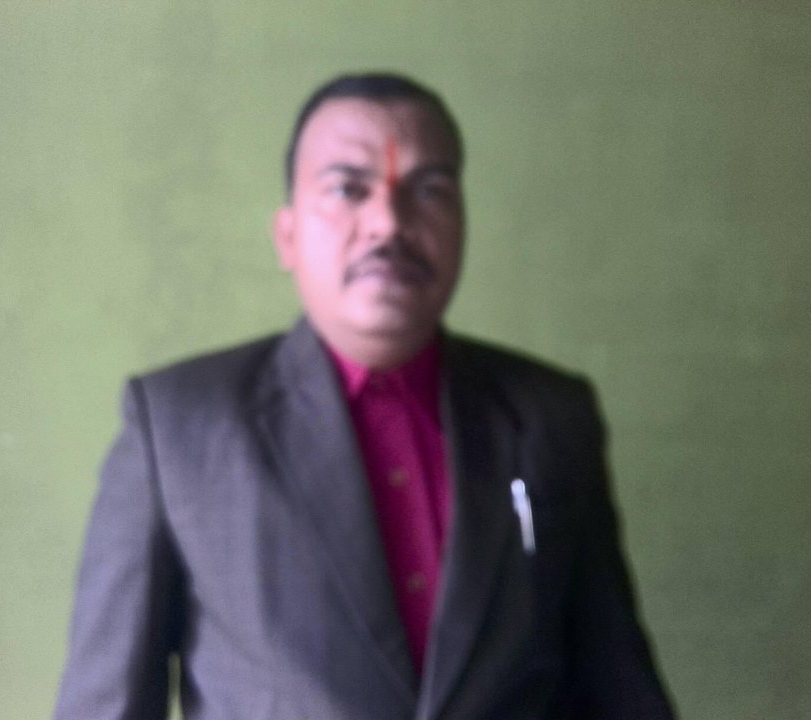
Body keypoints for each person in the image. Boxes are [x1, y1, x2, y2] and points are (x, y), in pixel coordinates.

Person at [54, 72, 675, 719]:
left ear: (461, 223)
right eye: (348, 189)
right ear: (288, 236)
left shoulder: (549, 418)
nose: (388, 222)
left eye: (428, 190)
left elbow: (620, 690)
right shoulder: (180, 428)